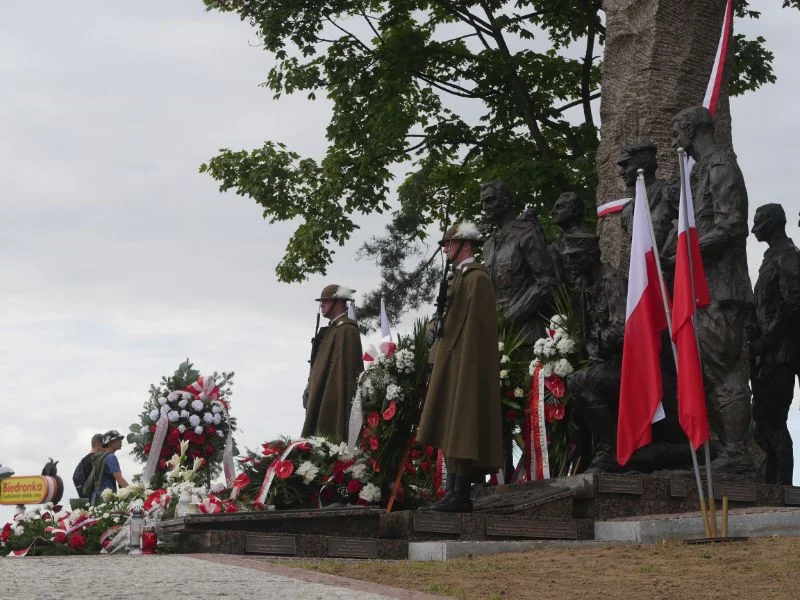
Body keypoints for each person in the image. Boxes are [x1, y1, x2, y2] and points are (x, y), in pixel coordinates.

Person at [671, 106, 756, 476]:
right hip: (707, 287)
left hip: (724, 287)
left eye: (677, 131)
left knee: (725, 370)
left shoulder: (719, 166)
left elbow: (733, 225)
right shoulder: (700, 171)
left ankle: (737, 455)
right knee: (711, 370)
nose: (675, 139)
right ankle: (727, 451)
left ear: (692, 130)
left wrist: (687, 248)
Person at [418, 222, 503, 512]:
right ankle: (453, 491)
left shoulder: (476, 278)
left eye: (449, 243)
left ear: (464, 244)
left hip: (465, 361)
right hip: (450, 358)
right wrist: (433, 326)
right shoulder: (458, 277)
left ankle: (460, 493)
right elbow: (445, 314)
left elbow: (479, 328)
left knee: (462, 424)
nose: (444, 248)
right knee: (452, 424)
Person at [750, 203, 800, 484]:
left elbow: (794, 304)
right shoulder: (771, 258)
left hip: (780, 355)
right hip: (767, 355)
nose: (753, 229)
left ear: (773, 222)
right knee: (763, 423)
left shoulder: (787, 257)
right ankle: (772, 488)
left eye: (758, 222)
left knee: (773, 422)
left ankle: (782, 491)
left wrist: (766, 342)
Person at [481, 180, 558, 347]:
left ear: (506, 201)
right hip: (496, 336)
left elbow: (547, 283)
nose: (484, 206)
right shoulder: (488, 245)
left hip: (527, 336)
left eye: (489, 200)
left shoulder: (526, 234)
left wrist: (509, 317)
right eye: (482, 202)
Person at [301, 284, 363, 441]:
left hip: (334, 399)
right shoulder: (332, 330)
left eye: (326, 301)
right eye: (322, 302)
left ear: (340, 302)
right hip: (321, 394)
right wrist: (311, 387)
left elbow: (346, 374)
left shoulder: (347, 329)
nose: (322, 305)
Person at [84, 430, 129, 504]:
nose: (120, 441)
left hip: (96, 498)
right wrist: (133, 492)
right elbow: (119, 479)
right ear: (110, 442)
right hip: (106, 499)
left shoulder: (100, 457)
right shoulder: (111, 457)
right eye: (117, 440)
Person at [72, 433, 103, 498]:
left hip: (86, 502)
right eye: (105, 446)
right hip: (97, 501)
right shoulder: (96, 461)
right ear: (97, 445)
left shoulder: (83, 462)